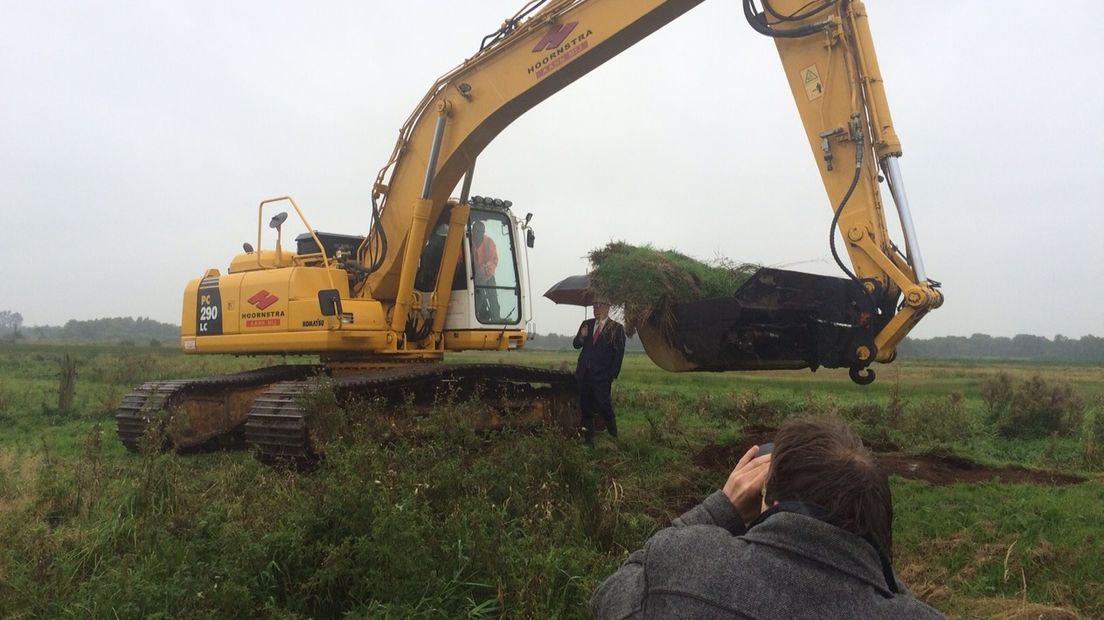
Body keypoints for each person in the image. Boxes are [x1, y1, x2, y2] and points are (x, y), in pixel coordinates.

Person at [591, 414, 945, 619]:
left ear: (769, 497)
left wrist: (722, 508)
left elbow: (607, 596)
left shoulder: (684, 561)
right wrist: (871, 555)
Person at [573, 300, 626, 444]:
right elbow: (576, 345)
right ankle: (588, 440)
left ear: (608, 307)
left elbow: (619, 354)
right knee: (586, 407)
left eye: (599, 306)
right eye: (594, 306)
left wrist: (612, 374)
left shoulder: (617, 329)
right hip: (584, 374)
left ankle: (614, 436)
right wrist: (582, 336)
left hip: (602, 376)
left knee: (604, 405)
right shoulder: (587, 324)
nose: (596, 309)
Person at [470, 221, 499, 322]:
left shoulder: (489, 242)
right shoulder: (467, 241)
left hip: (487, 274)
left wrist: (485, 269)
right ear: (472, 231)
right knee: (478, 297)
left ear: (483, 232)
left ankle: (496, 320)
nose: (478, 234)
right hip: (473, 275)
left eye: (481, 232)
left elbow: (494, 260)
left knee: (493, 298)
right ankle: (477, 318)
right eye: (477, 231)